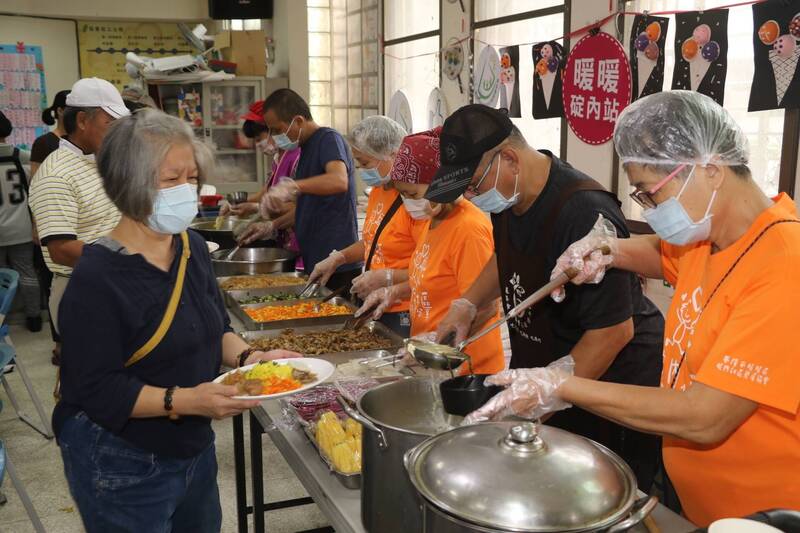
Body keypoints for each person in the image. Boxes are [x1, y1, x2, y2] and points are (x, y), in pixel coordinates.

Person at [464, 91, 800, 527]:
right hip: (695, 500)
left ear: (710, 169)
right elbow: (661, 253)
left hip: (759, 517)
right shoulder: (710, 235)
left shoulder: (783, 265)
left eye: (649, 194)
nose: (650, 209)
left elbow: (706, 417)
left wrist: (560, 385)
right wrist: (606, 248)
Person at [55, 108, 300, 532]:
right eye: (171, 180)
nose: (186, 190)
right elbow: (98, 390)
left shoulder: (191, 248)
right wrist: (189, 400)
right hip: (121, 458)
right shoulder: (97, 277)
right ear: (126, 184)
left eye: (191, 177)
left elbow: (214, 328)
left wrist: (254, 358)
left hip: (192, 446)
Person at [429, 104, 663, 490]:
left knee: (592, 493)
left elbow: (613, 333)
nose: (471, 198)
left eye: (473, 186)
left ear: (509, 159)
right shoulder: (508, 194)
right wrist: (467, 303)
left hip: (604, 383)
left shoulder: (584, 210)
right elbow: (506, 255)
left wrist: (547, 393)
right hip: (548, 365)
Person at [356, 128, 505, 374]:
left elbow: (487, 305)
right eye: (403, 195)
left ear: (440, 182)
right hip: (432, 361)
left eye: (412, 194)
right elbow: (427, 279)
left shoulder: (468, 228)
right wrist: (392, 292)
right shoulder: (431, 220)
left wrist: (439, 341)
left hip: (467, 366)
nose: (408, 203)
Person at [28, 77, 129, 344]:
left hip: (112, 279)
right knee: (96, 376)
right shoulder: (56, 175)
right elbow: (61, 250)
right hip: (81, 287)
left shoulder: (98, 161)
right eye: (111, 124)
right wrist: (132, 258)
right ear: (83, 121)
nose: (118, 133)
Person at [307, 115, 419, 336]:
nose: (360, 170)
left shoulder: (416, 201)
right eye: (357, 163)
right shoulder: (379, 190)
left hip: (404, 307)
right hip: (376, 302)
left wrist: (386, 278)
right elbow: (373, 241)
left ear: (393, 155)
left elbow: (430, 268)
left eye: (365, 163)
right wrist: (338, 258)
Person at [254, 89, 361, 291]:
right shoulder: (305, 149)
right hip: (316, 257)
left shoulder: (328, 139)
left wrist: (294, 186)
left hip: (337, 261)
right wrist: (272, 225)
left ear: (299, 121)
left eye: (277, 129)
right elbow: (306, 207)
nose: (274, 137)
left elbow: (339, 181)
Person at [232, 100, 302, 268]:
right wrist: (247, 204)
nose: (258, 144)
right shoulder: (279, 157)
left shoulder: (297, 158)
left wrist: (259, 209)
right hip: (284, 241)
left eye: (259, 138)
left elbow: (299, 208)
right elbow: (267, 191)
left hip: (299, 244)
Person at [30, 89, 70, 353]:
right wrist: (37, 225)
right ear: (57, 111)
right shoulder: (45, 143)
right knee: (52, 281)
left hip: (76, 224)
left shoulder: (83, 145)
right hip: (50, 222)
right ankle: (59, 345)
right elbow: (35, 187)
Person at [0, 111, 41, 331]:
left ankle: (2, 322)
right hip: (21, 227)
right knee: (27, 272)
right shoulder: (21, 157)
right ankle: (34, 319)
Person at [30, 89, 69, 177]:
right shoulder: (43, 142)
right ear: (60, 111)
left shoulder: (80, 140)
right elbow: (34, 180)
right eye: (72, 110)